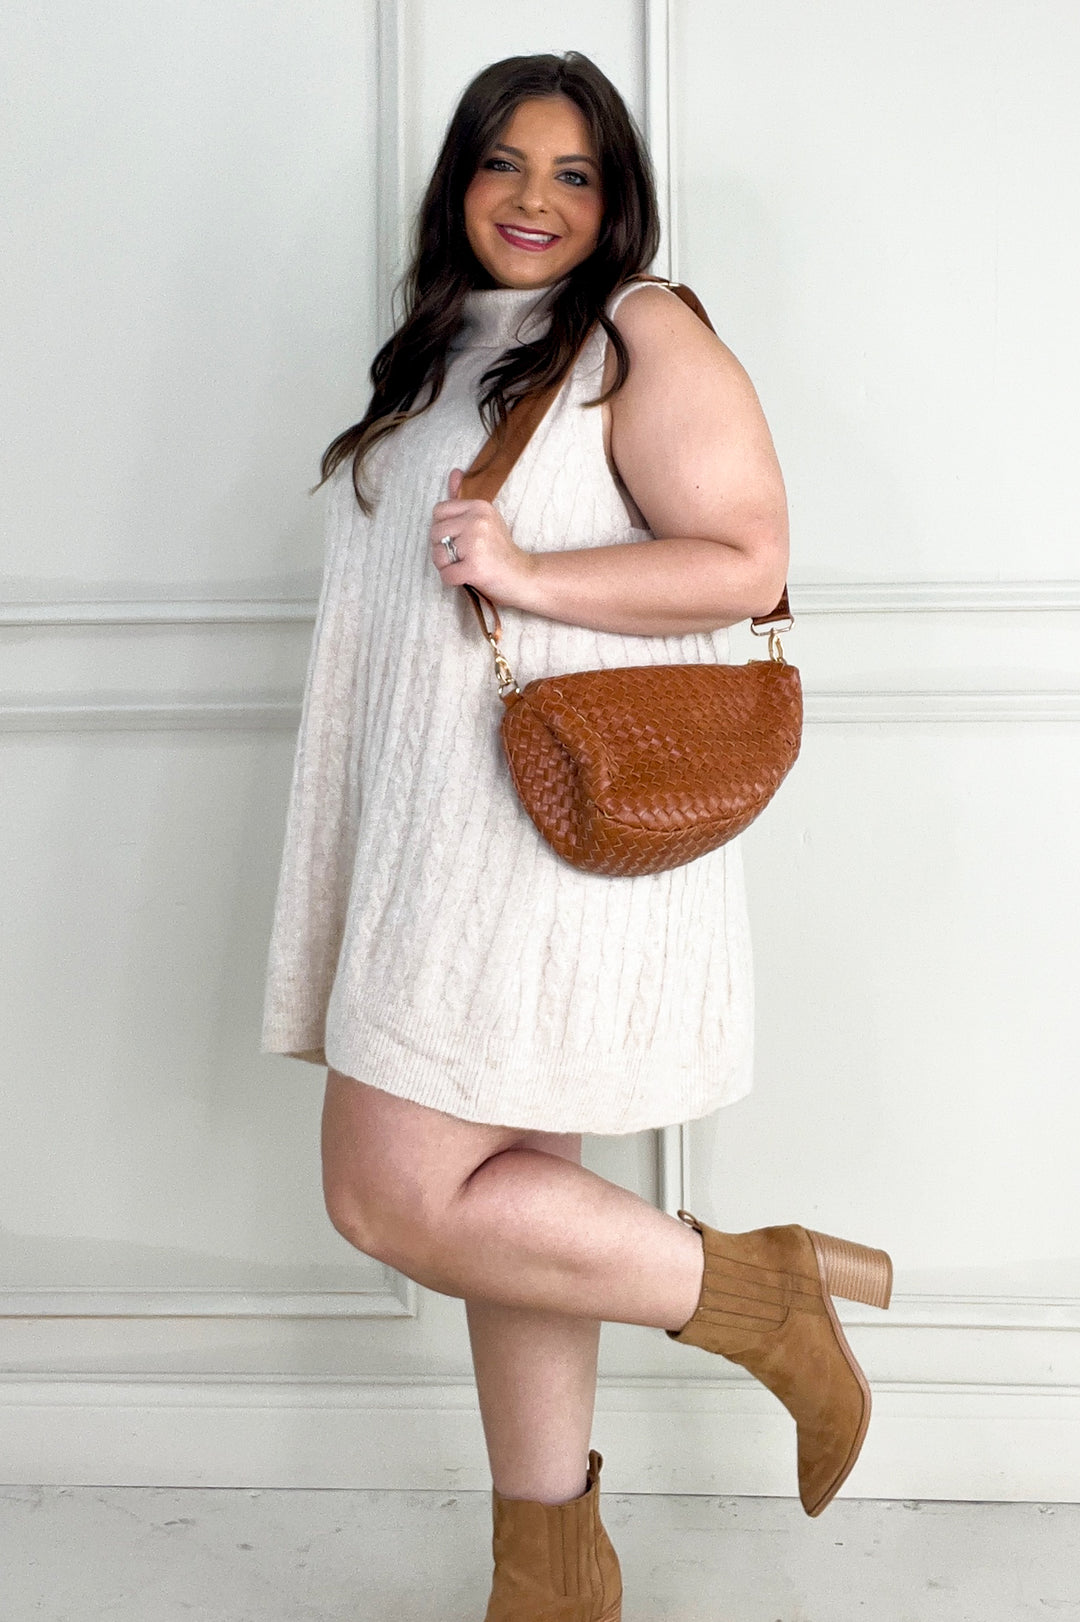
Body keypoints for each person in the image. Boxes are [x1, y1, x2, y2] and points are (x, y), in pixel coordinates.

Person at [260, 50, 892, 1622]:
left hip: (533, 844)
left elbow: (746, 557)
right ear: (458, 181)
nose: (535, 199)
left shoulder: (638, 329)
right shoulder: (445, 346)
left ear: (618, 202)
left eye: (575, 173)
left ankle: (759, 1292)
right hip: (433, 837)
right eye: (504, 163)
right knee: (510, 1207)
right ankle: (549, 1580)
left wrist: (530, 576)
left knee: (390, 1192)